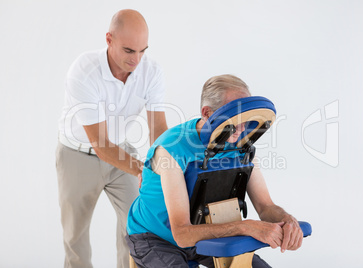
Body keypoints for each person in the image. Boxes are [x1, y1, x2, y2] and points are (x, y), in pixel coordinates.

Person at [126, 74, 303, 268]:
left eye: (245, 118)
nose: (241, 128)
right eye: (234, 118)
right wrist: (246, 227)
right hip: (155, 237)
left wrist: (288, 221)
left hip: (205, 234)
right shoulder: (172, 148)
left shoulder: (241, 145)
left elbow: (265, 207)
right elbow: (183, 234)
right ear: (207, 113)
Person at [56, 9, 168, 268]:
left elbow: (158, 128)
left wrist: (163, 164)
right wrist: (144, 169)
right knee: (76, 236)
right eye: (129, 51)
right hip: (77, 155)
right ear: (109, 40)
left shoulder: (151, 71)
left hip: (121, 151)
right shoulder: (84, 71)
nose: (137, 59)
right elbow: (100, 144)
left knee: (137, 227)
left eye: (143, 50)